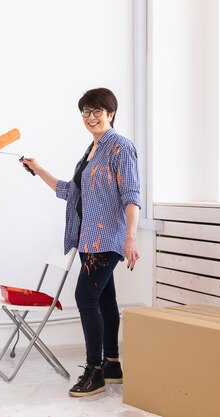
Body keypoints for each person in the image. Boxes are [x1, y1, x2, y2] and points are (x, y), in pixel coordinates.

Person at [21, 88, 141, 397]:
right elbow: (70, 192)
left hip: (108, 237)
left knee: (85, 298)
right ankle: (113, 365)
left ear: (111, 112)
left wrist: (130, 237)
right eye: (85, 112)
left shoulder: (120, 147)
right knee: (103, 300)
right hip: (89, 238)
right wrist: (38, 170)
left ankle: (95, 372)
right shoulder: (91, 150)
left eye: (96, 111)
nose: (90, 117)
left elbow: (131, 194)